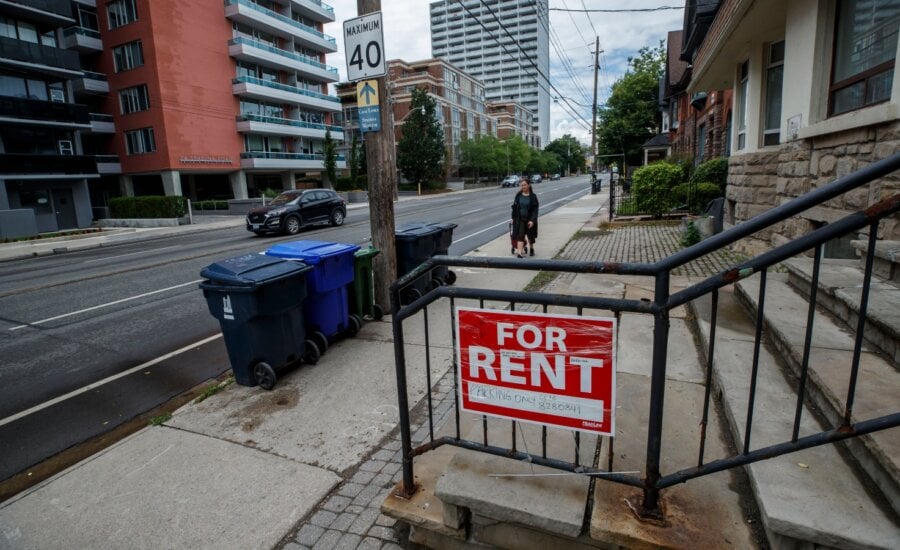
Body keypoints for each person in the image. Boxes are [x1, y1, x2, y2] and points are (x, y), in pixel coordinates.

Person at [510, 177, 538, 258]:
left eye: (525, 185)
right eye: (522, 185)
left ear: (529, 185)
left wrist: (532, 220)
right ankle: (519, 253)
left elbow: (535, 210)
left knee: (530, 236)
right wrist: (513, 218)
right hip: (520, 219)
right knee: (520, 235)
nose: (523, 187)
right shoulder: (518, 195)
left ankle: (531, 248)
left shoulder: (533, 197)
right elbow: (514, 207)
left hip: (529, 220)